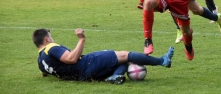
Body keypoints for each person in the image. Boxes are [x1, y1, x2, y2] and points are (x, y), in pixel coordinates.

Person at [32, 28, 174, 85]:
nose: (52, 38)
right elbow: (71, 59)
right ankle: (162, 60)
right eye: (51, 36)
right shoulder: (50, 48)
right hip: (86, 64)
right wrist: (81, 39)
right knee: (124, 54)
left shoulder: (40, 61)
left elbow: (47, 71)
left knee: (124, 60)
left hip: (83, 77)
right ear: (46, 39)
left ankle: (114, 76)